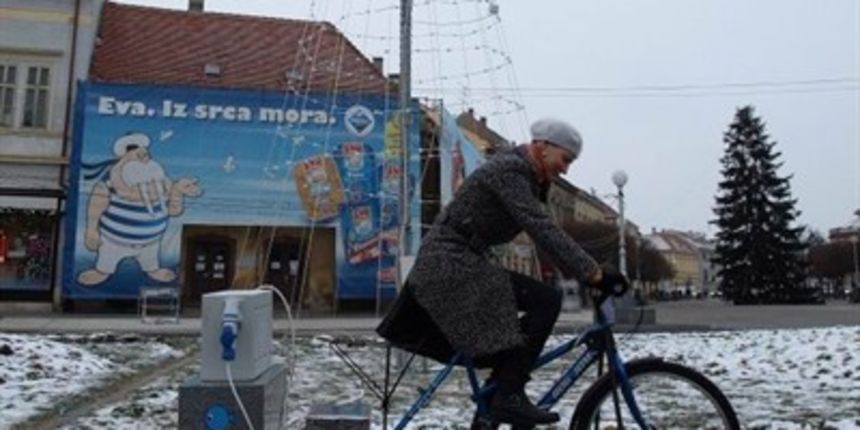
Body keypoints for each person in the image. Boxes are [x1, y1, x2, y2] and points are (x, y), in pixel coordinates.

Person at [377, 118, 629, 427]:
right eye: (565, 159)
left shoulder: (528, 177)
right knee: (545, 301)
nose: (566, 169)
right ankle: (508, 394)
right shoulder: (510, 170)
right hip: (449, 264)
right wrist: (594, 273)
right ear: (542, 146)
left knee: (523, 325)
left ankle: (502, 390)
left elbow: (544, 236)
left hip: (463, 260)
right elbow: (541, 227)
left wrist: (584, 274)